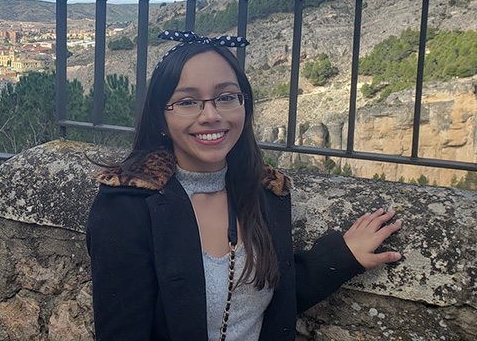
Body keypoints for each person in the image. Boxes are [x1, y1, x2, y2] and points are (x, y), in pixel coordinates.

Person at [86, 30, 402, 341]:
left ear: (244, 105)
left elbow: (264, 302)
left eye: (225, 97)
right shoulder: (127, 208)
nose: (210, 115)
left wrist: (342, 256)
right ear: (160, 119)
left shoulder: (266, 193)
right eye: (187, 102)